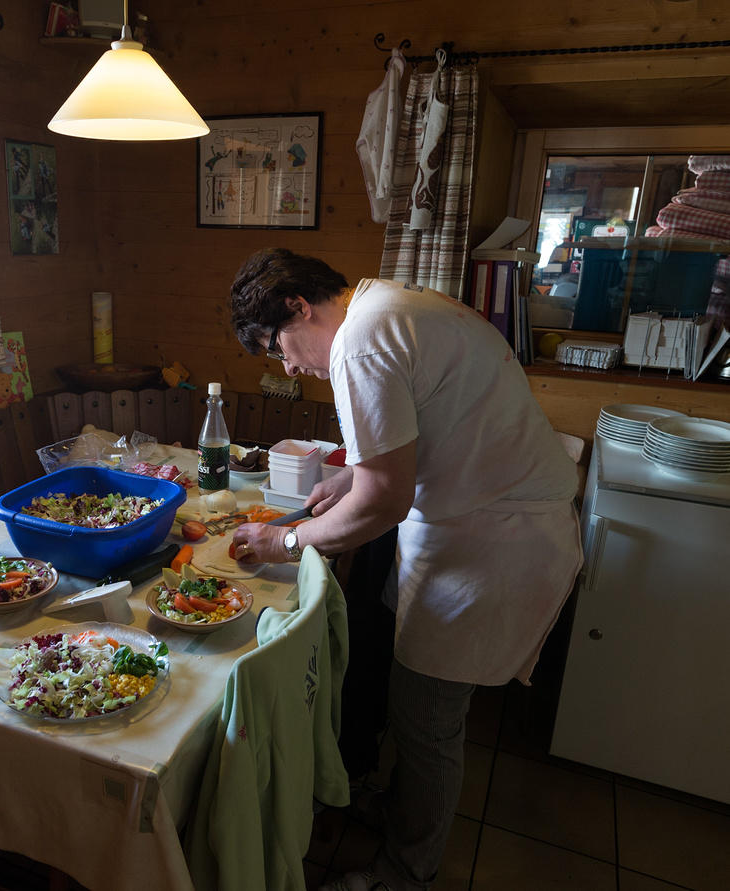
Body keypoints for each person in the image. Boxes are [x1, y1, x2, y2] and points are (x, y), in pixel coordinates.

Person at [226, 249, 582, 891]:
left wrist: (287, 541)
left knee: (428, 721)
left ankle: (405, 872)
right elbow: (408, 451)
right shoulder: (390, 303)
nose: (288, 366)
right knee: (413, 703)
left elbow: (387, 498)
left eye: (277, 346)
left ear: (298, 308)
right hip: (482, 523)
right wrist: (347, 484)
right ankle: (398, 810)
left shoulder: (359, 343)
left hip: (491, 541)